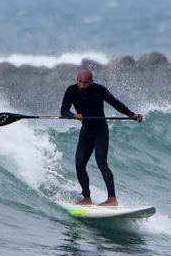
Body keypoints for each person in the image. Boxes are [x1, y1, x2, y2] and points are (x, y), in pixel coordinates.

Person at [60, 70, 143, 206]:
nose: (81, 86)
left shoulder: (99, 90)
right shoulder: (71, 91)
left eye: (85, 83)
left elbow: (116, 104)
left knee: (101, 163)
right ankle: (86, 198)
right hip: (86, 130)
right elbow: (63, 111)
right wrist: (73, 115)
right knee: (80, 165)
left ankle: (112, 199)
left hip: (100, 130)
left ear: (91, 81)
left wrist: (132, 115)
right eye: (79, 82)